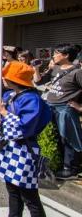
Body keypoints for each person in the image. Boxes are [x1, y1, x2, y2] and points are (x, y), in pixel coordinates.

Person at [0, 61, 52, 217]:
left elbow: (25, 128)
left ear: (14, 79)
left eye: (7, 76)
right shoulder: (10, 95)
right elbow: (0, 121)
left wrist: (4, 113)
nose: (4, 79)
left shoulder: (32, 100)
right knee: (12, 189)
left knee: (31, 198)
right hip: (9, 149)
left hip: (24, 149)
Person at [33, 44, 82, 180]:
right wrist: (36, 69)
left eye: (56, 53)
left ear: (66, 55)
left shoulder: (77, 72)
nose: (53, 55)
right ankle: (61, 164)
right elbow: (38, 82)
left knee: (68, 138)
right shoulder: (55, 68)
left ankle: (71, 169)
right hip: (51, 107)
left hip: (65, 109)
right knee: (57, 137)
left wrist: (79, 107)